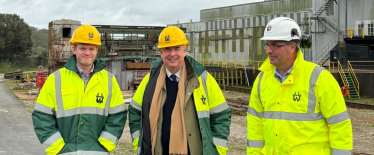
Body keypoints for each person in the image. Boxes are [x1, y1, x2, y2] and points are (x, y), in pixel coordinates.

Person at [247, 17, 353, 155]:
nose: (268, 51)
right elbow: (255, 127)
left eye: (275, 45)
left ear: (292, 47)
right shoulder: (262, 80)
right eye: (267, 45)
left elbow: (340, 126)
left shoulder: (319, 78)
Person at [128, 26, 231, 155]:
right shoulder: (150, 81)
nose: (172, 54)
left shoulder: (202, 79)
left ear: (184, 50)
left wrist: (216, 149)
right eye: (167, 49)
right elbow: (135, 112)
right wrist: (139, 142)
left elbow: (221, 115)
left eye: (177, 48)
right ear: (160, 52)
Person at [32, 25, 127, 155]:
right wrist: (58, 148)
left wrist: (104, 145)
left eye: (91, 48)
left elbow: (118, 116)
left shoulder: (109, 80)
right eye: (82, 48)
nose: (87, 52)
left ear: (96, 50)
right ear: (74, 49)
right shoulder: (56, 79)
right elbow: (41, 116)